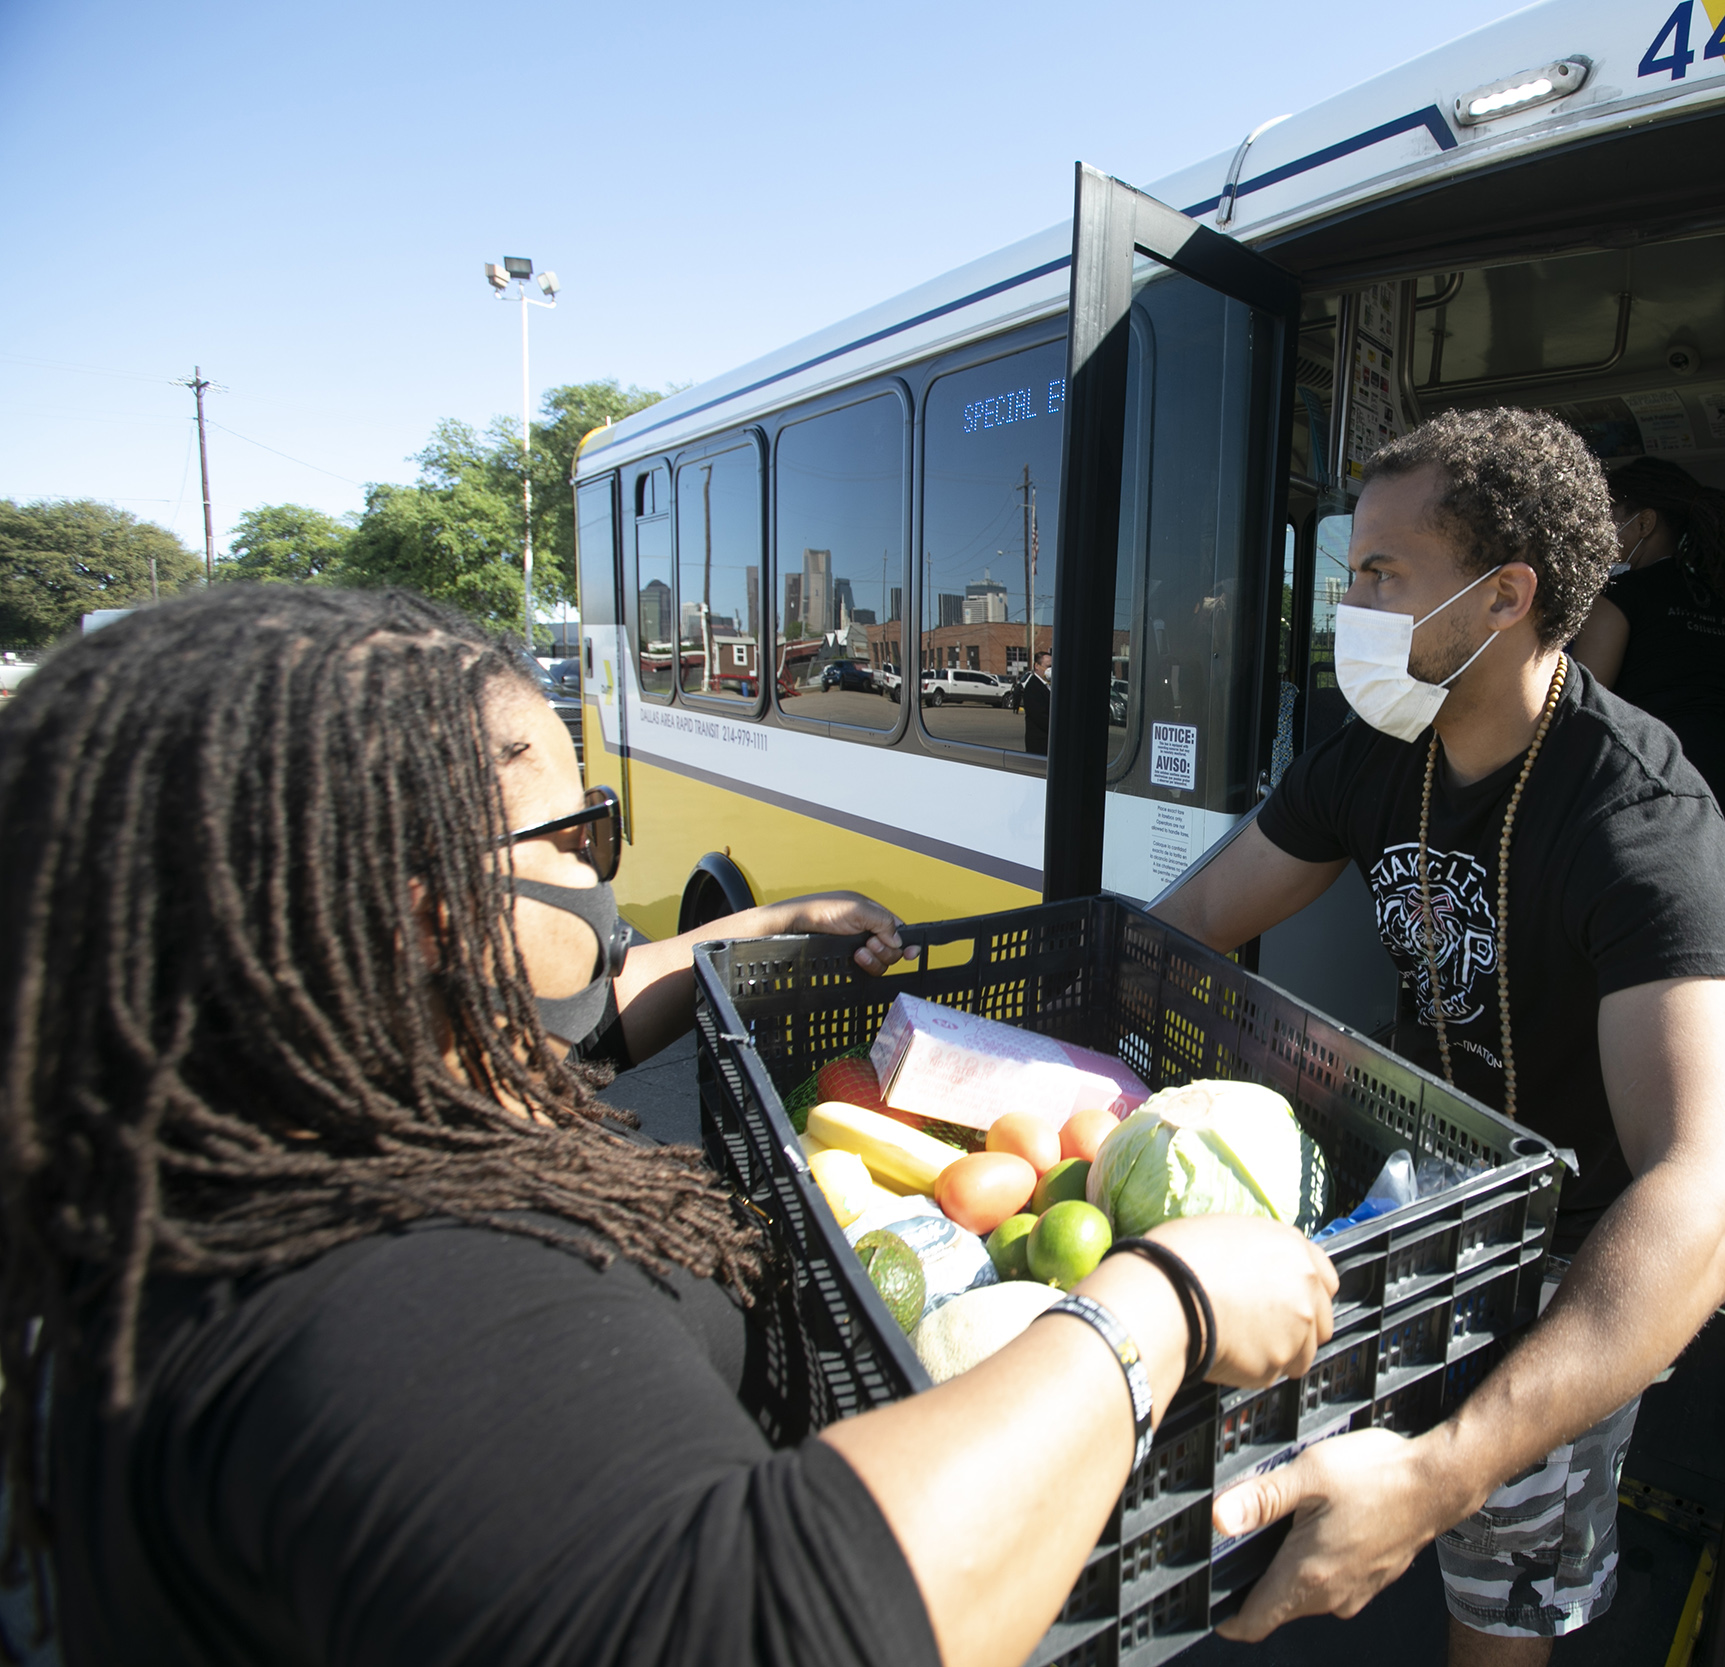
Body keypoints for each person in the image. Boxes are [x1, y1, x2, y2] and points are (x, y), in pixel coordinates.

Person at [0, 584, 1338, 1667]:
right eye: (579, 831)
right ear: (423, 917)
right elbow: (772, 1622)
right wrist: (1161, 1305)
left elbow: (569, 1008)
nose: (603, 867)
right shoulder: (403, 1296)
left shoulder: (321, 1087)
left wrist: (755, 931)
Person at [1154, 409, 1725, 1662]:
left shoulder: (1638, 814)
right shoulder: (1380, 746)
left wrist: (1446, 1472)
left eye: (1383, 573)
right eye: (1350, 573)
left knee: (1498, 1585)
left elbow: (1716, 1202)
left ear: (1504, 598)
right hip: (1423, 1202)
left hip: (1579, 1267)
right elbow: (1201, 917)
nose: (1352, 604)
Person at [1567, 457, 1725, 903]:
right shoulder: (1722, 607)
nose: (1602, 528)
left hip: (1680, 790)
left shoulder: (1620, 599)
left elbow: (1582, 709)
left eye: (1610, 515)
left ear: (1644, 523)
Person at [1022, 648, 1053, 755]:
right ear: (1037, 666)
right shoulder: (1033, 687)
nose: (1051, 670)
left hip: (1051, 742)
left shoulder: (1051, 685)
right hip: (1040, 742)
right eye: (1048, 666)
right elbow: (1039, 716)